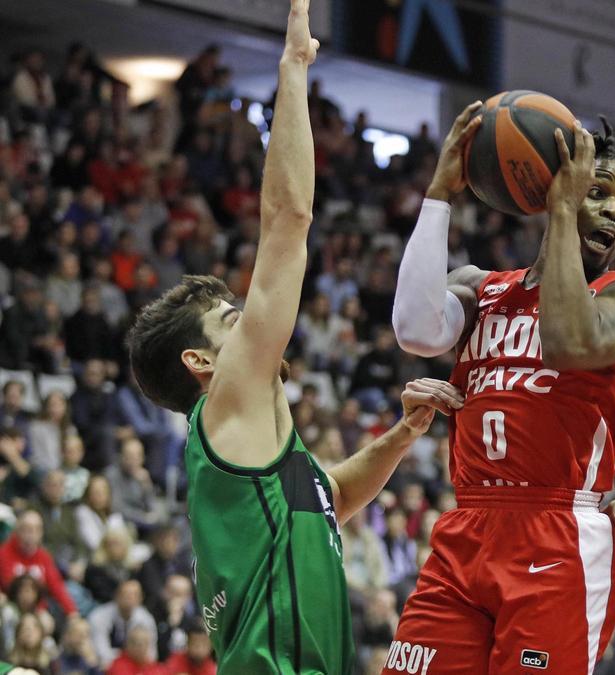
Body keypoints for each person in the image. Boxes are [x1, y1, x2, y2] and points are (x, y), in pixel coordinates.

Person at [123, 3, 458, 672]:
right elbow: (287, 218)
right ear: (201, 362)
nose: (253, 320)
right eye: (232, 319)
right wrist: (295, 71)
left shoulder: (256, 457)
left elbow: (329, 498)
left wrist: (401, 436)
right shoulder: (225, 402)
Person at [385, 96, 615, 672]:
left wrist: (564, 214)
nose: (612, 212)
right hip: (466, 527)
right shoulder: (484, 286)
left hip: (558, 534)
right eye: (596, 191)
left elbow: (569, 343)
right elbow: (414, 330)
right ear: (555, 184)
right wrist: (439, 195)